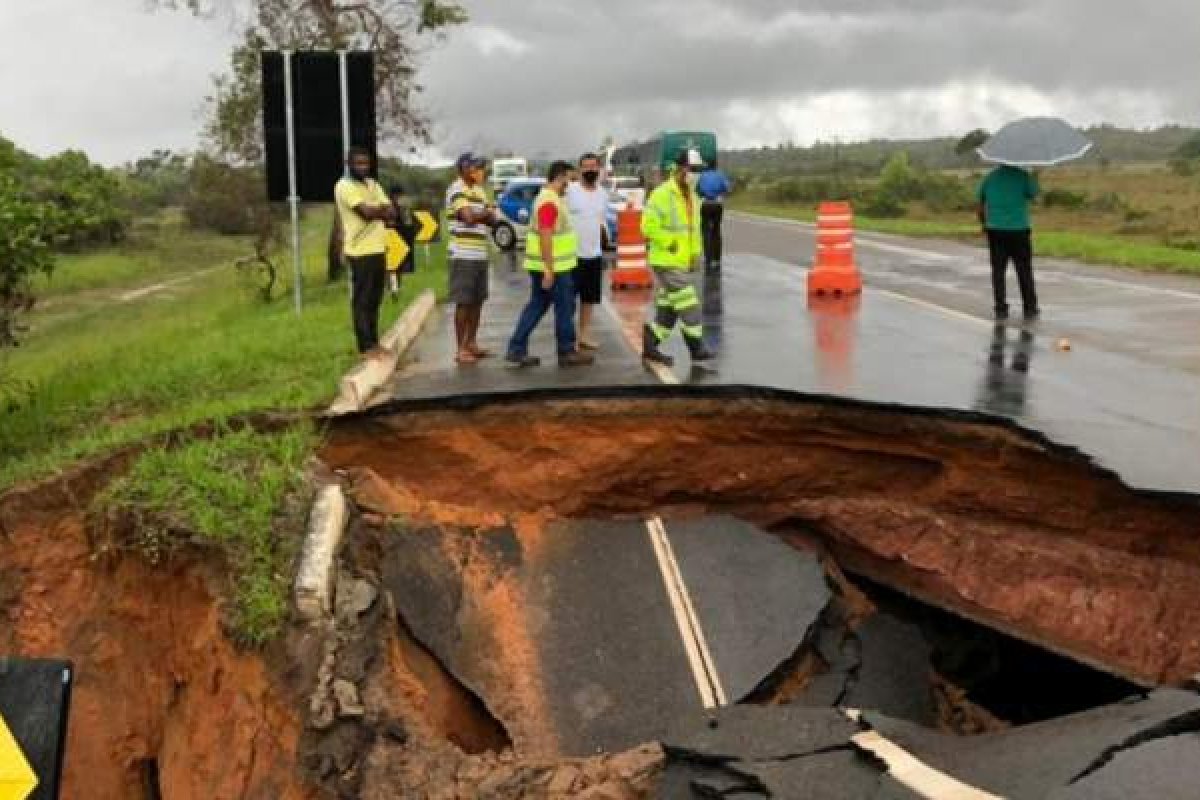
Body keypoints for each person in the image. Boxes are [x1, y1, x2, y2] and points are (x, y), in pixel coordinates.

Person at [505, 161, 596, 368]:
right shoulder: (549, 201)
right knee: (565, 307)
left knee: (537, 305)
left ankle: (516, 348)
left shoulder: (550, 198)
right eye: (569, 179)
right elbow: (546, 234)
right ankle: (566, 351)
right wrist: (549, 269)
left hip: (545, 265)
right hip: (554, 267)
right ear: (561, 176)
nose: (570, 184)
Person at [641, 148, 714, 367]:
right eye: (693, 170)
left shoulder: (692, 195)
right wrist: (669, 242)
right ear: (681, 168)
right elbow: (647, 226)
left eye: (698, 170)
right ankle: (696, 347)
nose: (696, 174)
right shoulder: (662, 193)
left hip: (682, 261)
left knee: (668, 313)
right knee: (689, 303)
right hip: (666, 260)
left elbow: (693, 230)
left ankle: (650, 343)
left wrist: (695, 255)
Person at [334, 146, 395, 358]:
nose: (363, 167)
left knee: (375, 299)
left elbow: (392, 210)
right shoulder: (344, 186)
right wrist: (381, 210)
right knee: (362, 300)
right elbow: (366, 212)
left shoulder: (372, 184)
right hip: (359, 251)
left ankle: (374, 342)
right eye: (358, 163)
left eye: (366, 163)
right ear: (349, 164)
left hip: (378, 248)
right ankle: (365, 346)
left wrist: (381, 210)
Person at [445, 153, 497, 364]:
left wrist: (485, 215)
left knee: (477, 301)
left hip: (480, 253)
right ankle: (460, 349)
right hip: (462, 254)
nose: (480, 172)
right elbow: (467, 218)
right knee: (464, 302)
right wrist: (485, 214)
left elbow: (492, 221)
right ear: (465, 169)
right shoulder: (457, 190)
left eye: (481, 168)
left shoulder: (479, 191)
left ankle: (472, 342)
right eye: (476, 168)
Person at [978, 165, 1040, 320]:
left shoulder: (990, 177)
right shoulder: (1023, 176)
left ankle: (1000, 307)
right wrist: (1035, 175)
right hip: (1019, 229)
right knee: (1024, 269)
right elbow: (1035, 195)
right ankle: (1030, 307)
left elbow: (980, 203)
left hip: (996, 229)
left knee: (998, 270)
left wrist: (984, 224)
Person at [565, 152, 610, 351]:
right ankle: (568, 339)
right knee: (568, 301)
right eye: (586, 166)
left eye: (594, 166)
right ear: (579, 169)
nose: (591, 169)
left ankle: (583, 335)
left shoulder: (603, 193)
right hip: (572, 255)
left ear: (599, 169)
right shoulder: (569, 191)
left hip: (594, 254)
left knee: (589, 299)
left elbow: (600, 221)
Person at [697, 163, 732, 269]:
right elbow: (727, 189)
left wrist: (703, 194)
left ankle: (708, 259)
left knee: (706, 231)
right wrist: (720, 194)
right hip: (717, 204)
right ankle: (717, 259)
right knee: (716, 231)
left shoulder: (702, 175)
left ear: (707, 167)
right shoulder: (721, 175)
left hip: (706, 204)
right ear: (716, 166)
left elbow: (698, 190)